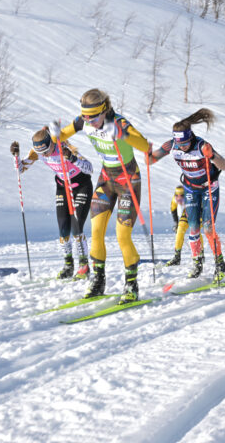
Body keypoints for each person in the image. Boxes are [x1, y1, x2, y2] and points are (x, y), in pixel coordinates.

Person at [51, 88, 150, 304]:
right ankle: (98, 282)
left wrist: (121, 134)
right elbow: (61, 137)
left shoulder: (119, 123)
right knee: (96, 233)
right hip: (106, 179)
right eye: (85, 116)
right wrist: (56, 134)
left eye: (93, 117)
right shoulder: (83, 121)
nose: (89, 121)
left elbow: (145, 145)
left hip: (128, 179)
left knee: (122, 235)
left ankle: (131, 285)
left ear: (104, 110)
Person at [148, 109, 225, 282]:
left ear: (191, 137)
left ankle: (219, 262)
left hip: (209, 187)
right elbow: (151, 160)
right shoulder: (172, 145)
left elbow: (224, 166)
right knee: (193, 227)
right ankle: (197, 262)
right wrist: (147, 152)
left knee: (208, 228)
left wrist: (212, 156)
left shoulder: (201, 145)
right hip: (191, 188)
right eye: (179, 143)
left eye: (185, 143)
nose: (182, 147)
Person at [11, 128, 93, 279]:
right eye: (41, 153)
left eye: (46, 151)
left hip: (81, 185)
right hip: (63, 187)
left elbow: (90, 168)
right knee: (63, 229)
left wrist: (71, 158)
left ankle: (84, 266)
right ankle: (68, 266)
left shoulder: (64, 148)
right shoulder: (37, 152)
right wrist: (15, 157)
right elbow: (20, 169)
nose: (44, 155)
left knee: (76, 228)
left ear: (51, 144)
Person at [166, 185, 203, 266]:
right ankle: (177, 256)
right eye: (176, 196)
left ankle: (200, 253)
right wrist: (176, 223)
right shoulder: (174, 200)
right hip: (187, 210)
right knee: (180, 229)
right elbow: (173, 209)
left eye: (182, 196)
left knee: (195, 231)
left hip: (198, 209)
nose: (179, 199)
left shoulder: (191, 196)